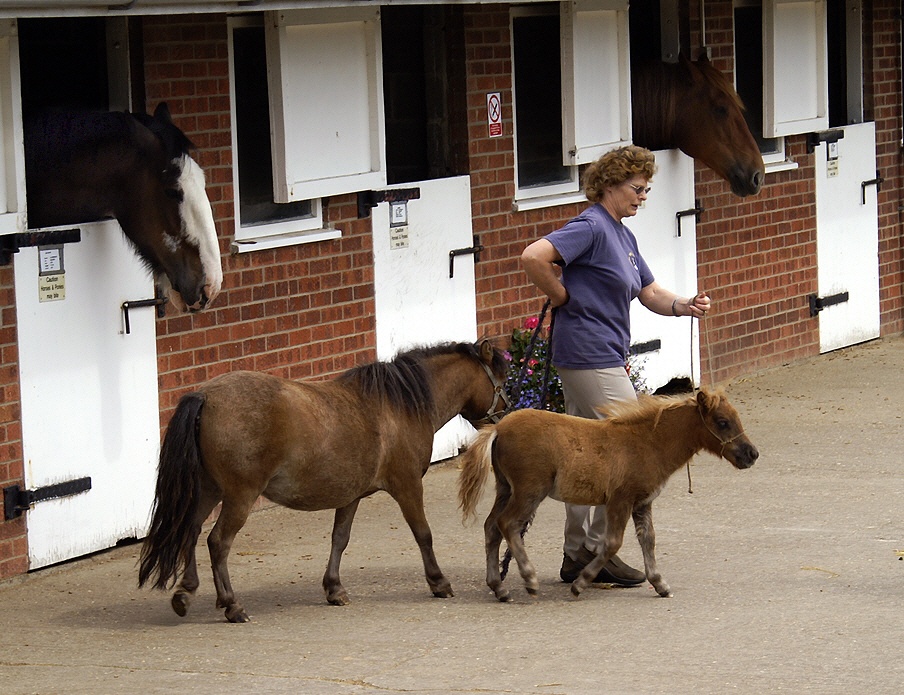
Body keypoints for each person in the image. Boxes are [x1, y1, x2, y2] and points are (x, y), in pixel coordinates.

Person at [520, 144, 710, 586]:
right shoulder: (590, 226)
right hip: (589, 354)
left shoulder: (623, 236)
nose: (643, 197)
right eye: (637, 188)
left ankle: (577, 553)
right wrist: (561, 295)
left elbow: (649, 291)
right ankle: (599, 549)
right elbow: (533, 256)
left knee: (585, 454)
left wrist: (684, 304)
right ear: (609, 185)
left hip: (599, 355)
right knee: (633, 447)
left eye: (646, 190)